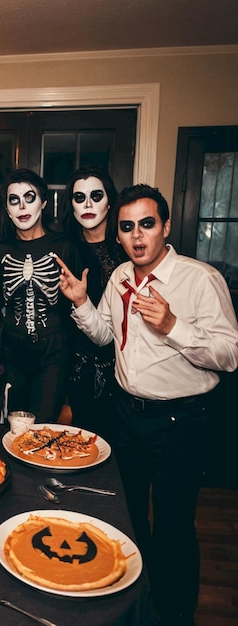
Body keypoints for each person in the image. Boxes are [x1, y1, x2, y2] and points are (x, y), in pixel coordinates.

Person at [56, 184, 238, 626]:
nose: (138, 236)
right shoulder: (119, 276)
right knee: (128, 517)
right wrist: (81, 302)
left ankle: (177, 615)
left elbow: (229, 355)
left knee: (173, 528)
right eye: (128, 227)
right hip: (125, 414)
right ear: (118, 235)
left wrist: (173, 325)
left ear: (167, 226)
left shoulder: (199, 279)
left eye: (148, 224)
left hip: (180, 421)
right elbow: (104, 336)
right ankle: (132, 609)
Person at [0, 168, 82, 423]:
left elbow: (78, 307)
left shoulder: (65, 246)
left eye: (29, 197)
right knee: (9, 430)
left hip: (54, 354)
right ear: (7, 209)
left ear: (43, 202)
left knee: (40, 430)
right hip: (10, 355)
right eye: (13, 200)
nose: (22, 206)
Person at [61, 166, 127, 438]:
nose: (87, 204)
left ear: (109, 201)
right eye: (79, 197)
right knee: (84, 442)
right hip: (75, 360)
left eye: (96, 195)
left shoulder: (128, 249)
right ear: (72, 206)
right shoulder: (63, 248)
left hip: (123, 362)